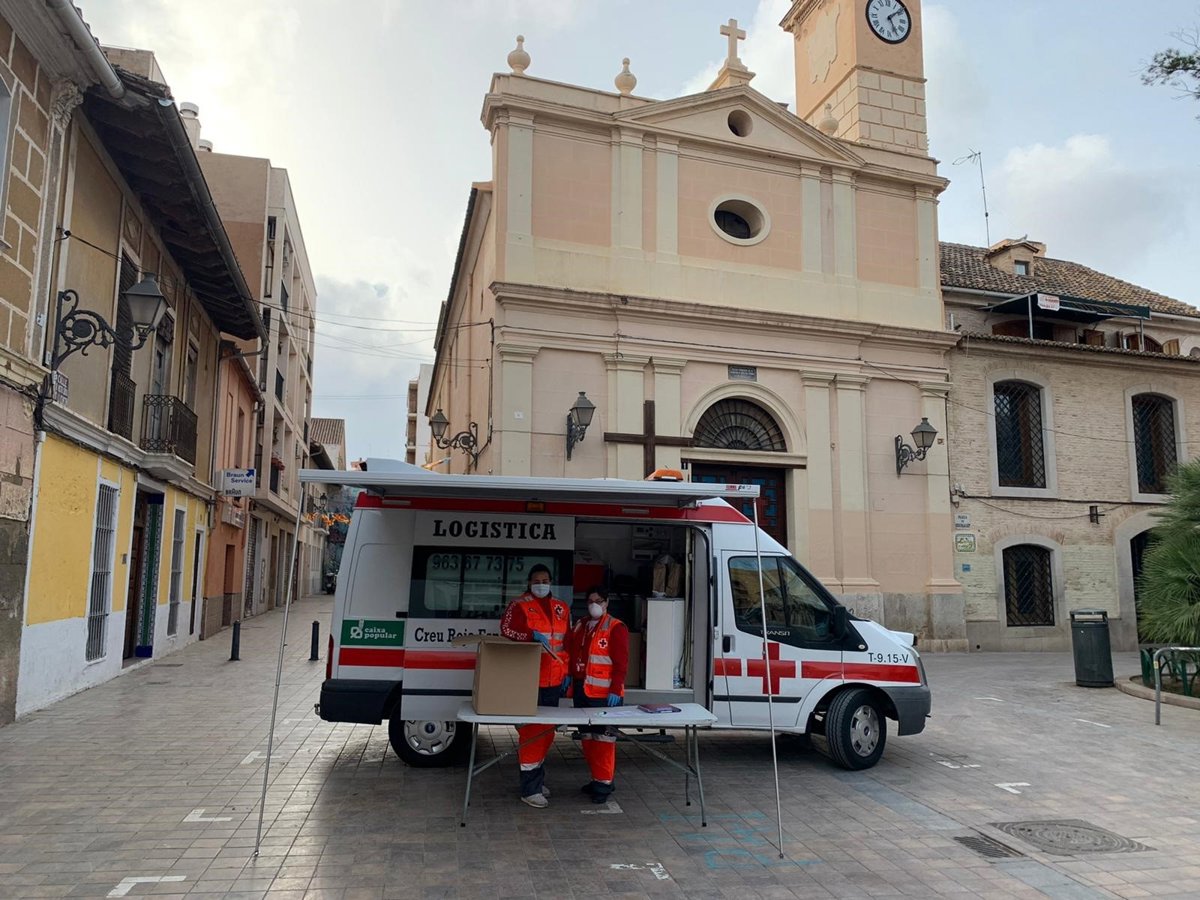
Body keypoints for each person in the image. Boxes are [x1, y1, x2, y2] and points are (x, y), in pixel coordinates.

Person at [499, 563, 571, 808]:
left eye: (546, 580)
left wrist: (566, 671)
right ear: (529, 583)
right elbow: (506, 629)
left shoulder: (561, 607)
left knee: (547, 732)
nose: (542, 584)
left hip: (555, 679)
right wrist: (531, 636)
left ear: (551, 582)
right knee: (532, 733)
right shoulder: (518, 605)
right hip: (530, 679)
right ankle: (530, 789)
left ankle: (536, 781)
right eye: (537, 580)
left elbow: (566, 643)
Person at [568, 586, 629, 803]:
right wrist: (569, 674)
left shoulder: (615, 627)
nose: (594, 605)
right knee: (587, 738)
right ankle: (598, 779)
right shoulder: (581, 624)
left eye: (599, 601)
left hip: (605, 695)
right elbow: (572, 650)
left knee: (603, 740)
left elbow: (621, 664)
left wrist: (616, 689)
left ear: (607, 603)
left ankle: (603, 786)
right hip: (582, 691)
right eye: (591, 601)